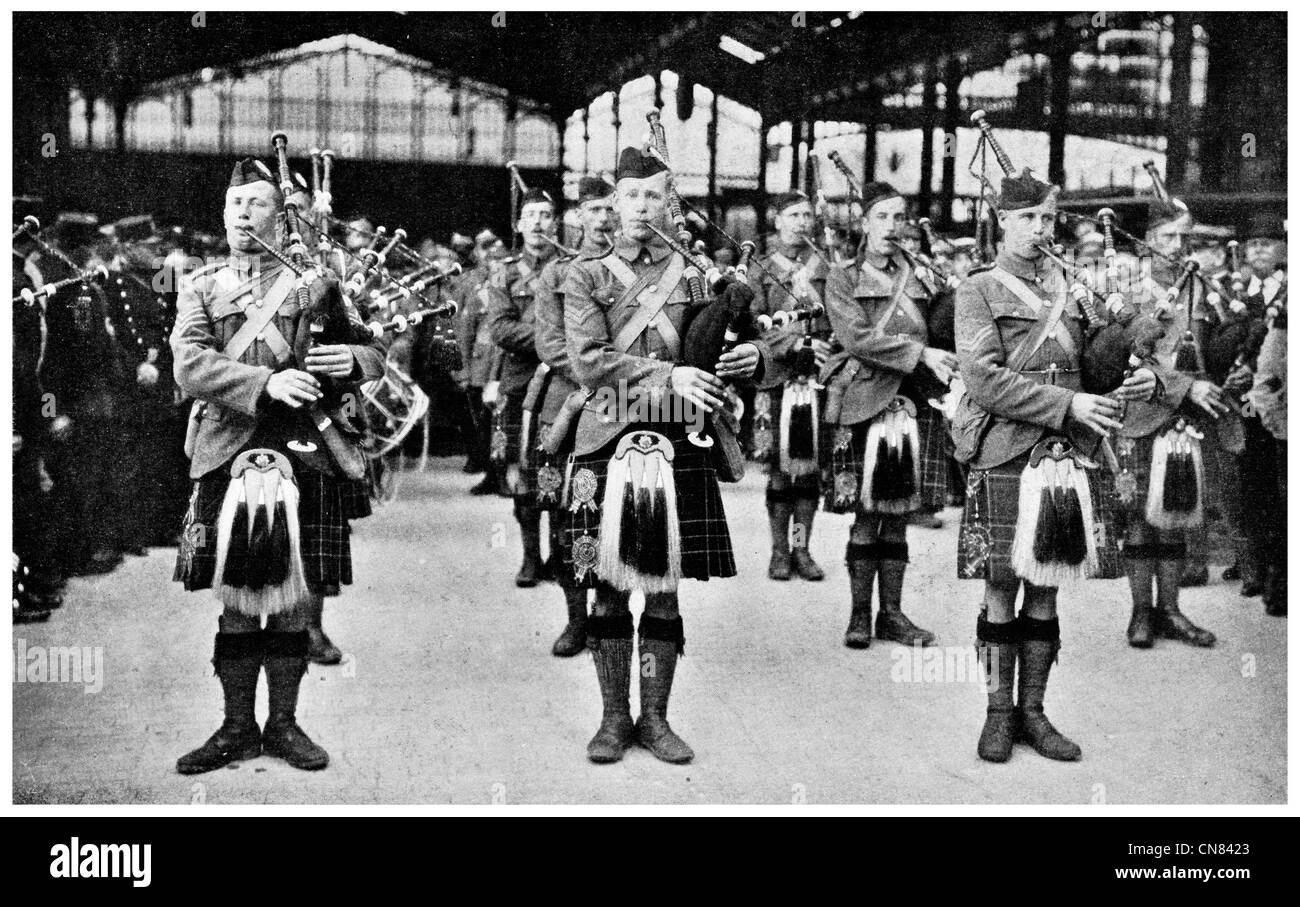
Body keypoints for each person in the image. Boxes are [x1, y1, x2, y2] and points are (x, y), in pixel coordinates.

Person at [170, 158, 386, 774]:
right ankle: (236, 727)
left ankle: (285, 725)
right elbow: (189, 364)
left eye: (256, 204)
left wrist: (351, 358)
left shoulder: (314, 284)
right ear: (223, 214)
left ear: (279, 215)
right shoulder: (203, 286)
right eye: (234, 204)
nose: (242, 214)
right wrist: (265, 383)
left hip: (306, 449)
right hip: (227, 449)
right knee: (237, 596)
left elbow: (374, 348)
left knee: (294, 596)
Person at [558, 146, 766, 764]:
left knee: (667, 588)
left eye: (654, 195)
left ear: (669, 201)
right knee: (608, 589)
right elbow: (588, 362)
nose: (642, 206)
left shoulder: (698, 275)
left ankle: (656, 719)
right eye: (631, 195)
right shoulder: (585, 276)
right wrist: (667, 377)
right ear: (614, 203)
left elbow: (728, 345)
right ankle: (612, 719)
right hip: (607, 437)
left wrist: (751, 361)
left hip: (682, 438)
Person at [954, 169, 1156, 762]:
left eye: (1047, 218)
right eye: (1027, 219)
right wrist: (1068, 404)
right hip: (1007, 448)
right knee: (1000, 588)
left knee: (1046, 589)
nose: (1040, 229)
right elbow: (983, 379)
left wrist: (1138, 378)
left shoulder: (1073, 283)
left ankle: (1034, 714)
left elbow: (1105, 357)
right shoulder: (978, 290)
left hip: (1067, 455)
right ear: (1001, 222)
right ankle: (997, 716)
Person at [822, 182, 955, 648]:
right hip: (863, 400)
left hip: (916, 400)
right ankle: (860, 615)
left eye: (899, 217)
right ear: (864, 222)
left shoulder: (922, 273)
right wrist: (921, 354)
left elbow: (946, 323)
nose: (892, 226)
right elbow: (856, 338)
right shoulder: (841, 277)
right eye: (882, 217)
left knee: (899, 513)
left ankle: (892, 614)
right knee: (865, 513)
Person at [1114, 199, 1225, 648]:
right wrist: (1185, 387)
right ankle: (1141, 613)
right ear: (1149, 240)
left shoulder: (1202, 287)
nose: (1177, 247)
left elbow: (1208, 350)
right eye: (1168, 237)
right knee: (1139, 519)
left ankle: (1172, 610)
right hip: (1137, 417)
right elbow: (1121, 356)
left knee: (1175, 516)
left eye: (1184, 238)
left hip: (1184, 424)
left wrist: (1220, 373)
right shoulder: (1127, 288)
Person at [532, 175, 616, 654]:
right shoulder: (557, 274)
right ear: (578, 217)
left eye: (610, 208)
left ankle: (608, 614)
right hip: (568, 404)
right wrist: (598, 375)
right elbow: (549, 344)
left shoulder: (632, 269)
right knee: (566, 514)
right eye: (594, 210)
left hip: (622, 405)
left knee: (611, 512)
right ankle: (574, 620)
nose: (603, 218)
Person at [748, 190, 832, 581]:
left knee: (810, 471)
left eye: (807, 215)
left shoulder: (829, 266)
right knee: (781, 473)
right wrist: (792, 343)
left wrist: (822, 345)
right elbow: (752, 323)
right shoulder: (760, 267)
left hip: (817, 376)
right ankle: (779, 551)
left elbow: (843, 315)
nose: (802, 222)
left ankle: (802, 548)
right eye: (793, 215)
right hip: (778, 377)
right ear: (777, 221)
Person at [487, 187, 560, 586]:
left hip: (564, 383)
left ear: (555, 223)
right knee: (523, 475)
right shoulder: (504, 273)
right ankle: (531, 557)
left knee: (563, 473)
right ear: (519, 224)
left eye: (546, 215)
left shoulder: (572, 267)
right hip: (520, 383)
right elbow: (500, 328)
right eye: (530, 215)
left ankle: (560, 557)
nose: (537, 222)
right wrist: (552, 337)